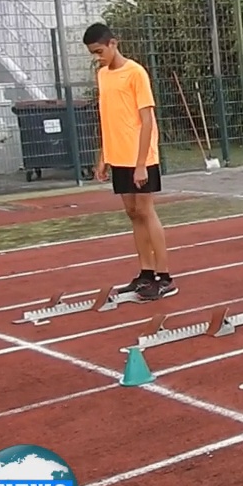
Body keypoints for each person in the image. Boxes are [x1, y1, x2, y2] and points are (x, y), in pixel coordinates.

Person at [82, 22, 176, 301]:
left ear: (113, 43)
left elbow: (147, 119)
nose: (97, 57)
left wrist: (140, 163)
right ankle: (145, 273)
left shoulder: (135, 73)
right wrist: (103, 156)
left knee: (146, 212)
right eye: (93, 53)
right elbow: (107, 117)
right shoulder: (103, 76)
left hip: (140, 156)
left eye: (99, 51)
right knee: (132, 213)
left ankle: (164, 275)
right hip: (118, 155)